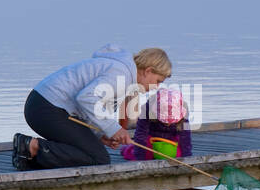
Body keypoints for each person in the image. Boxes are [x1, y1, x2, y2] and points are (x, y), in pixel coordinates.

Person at [13, 45, 172, 170]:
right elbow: (87, 98)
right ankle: (32, 146)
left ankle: (29, 155)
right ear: (148, 71)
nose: (156, 87)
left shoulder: (122, 74)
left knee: (95, 154)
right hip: (47, 107)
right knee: (98, 158)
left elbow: (87, 107)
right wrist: (114, 129)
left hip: (45, 105)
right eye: (158, 81)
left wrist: (99, 134)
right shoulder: (120, 74)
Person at [120, 86, 192, 161]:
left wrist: (187, 158)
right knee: (141, 154)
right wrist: (140, 159)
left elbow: (185, 137)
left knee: (177, 155)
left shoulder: (183, 112)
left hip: (171, 140)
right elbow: (141, 135)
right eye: (164, 120)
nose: (168, 124)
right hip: (152, 138)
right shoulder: (147, 110)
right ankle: (127, 149)